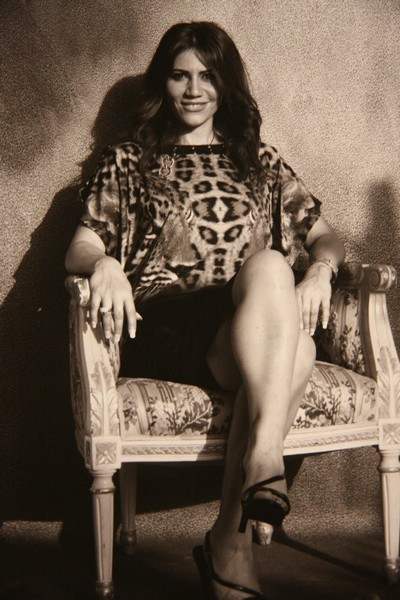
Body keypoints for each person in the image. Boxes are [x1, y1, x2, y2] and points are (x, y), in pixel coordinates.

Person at [65, 21, 345, 600]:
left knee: (274, 269)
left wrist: (321, 269)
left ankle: (236, 517)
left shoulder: (259, 161)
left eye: (208, 76)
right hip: (168, 324)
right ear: (162, 84)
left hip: (247, 321)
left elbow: (326, 237)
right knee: (297, 345)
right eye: (180, 76)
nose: (194, 90)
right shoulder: (130, 159)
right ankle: (238, 523)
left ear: (226, 84)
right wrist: (105, 263)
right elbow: (80, 247)